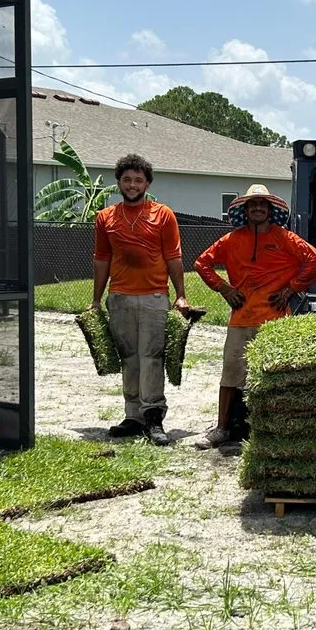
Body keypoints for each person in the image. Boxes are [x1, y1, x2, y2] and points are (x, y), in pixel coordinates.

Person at [193, 184, 316, 450]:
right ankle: (221, 428)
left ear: (269, 209)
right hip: (241, 317)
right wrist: (224, 288)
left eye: (262, 204)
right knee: (230, 376)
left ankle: (277, 428)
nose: (257, 208)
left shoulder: (285, 238)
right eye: (252, 205)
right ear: (245, 210)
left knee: (277, 376)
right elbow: (201, 263)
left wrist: (291, 289)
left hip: (275, 320)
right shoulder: (231, 240)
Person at [90, 153, 190, 446]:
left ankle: (154, 417)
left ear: (147, 183)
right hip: (119, 297)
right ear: (119, 182)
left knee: (151, 357)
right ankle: (133, 416)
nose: (132, 185)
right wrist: (96, 300)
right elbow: (101, 259)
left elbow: (174, 257)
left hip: (154, 297)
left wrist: (181, 294)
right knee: (129, 359)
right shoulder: (105, 218)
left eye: (138, 180)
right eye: (127, 179)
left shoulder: (163, 215)